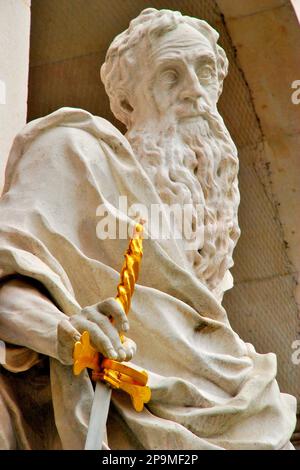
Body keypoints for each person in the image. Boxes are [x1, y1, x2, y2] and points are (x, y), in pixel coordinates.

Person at [0, 8, 296, 449]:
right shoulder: (75, 153)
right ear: (126, 101)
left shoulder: (213, 206)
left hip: (225, 391)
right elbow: (7, 278)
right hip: (109, 389)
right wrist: (64, 332)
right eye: (171, 75)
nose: (195, 92)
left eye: (206, 72)